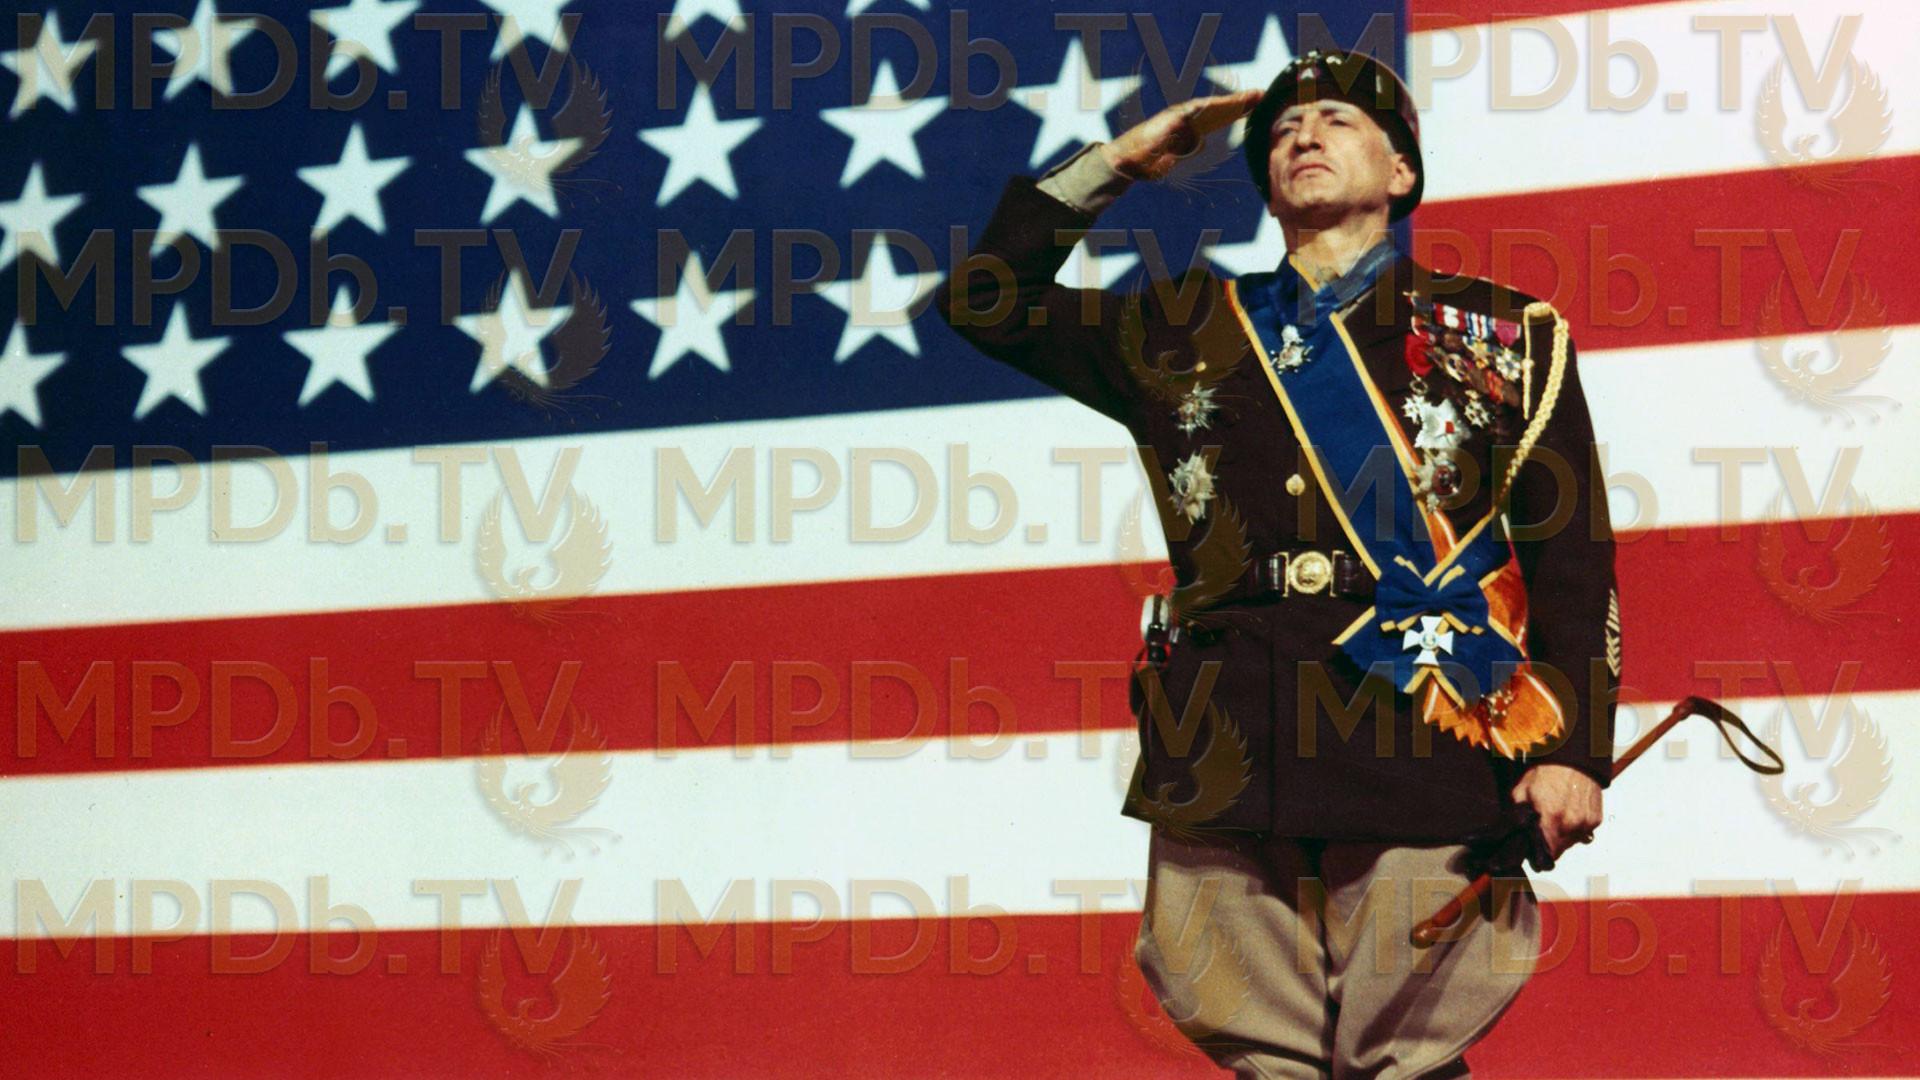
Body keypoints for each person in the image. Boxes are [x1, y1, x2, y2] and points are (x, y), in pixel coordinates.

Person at [937, 49, 1621, 1077]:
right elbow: (985, 301)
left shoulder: (1505, 337)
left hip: (1424, 732)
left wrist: (1574, 750)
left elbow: (1571, 557)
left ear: (1402, 171)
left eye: (1339, 121)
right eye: (1284, 131)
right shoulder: (1180, 327)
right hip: (1228, 741)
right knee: (1263, 1058)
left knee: (1411, 1059)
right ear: (1264, 183)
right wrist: (1115, 165)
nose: (1305, 135)